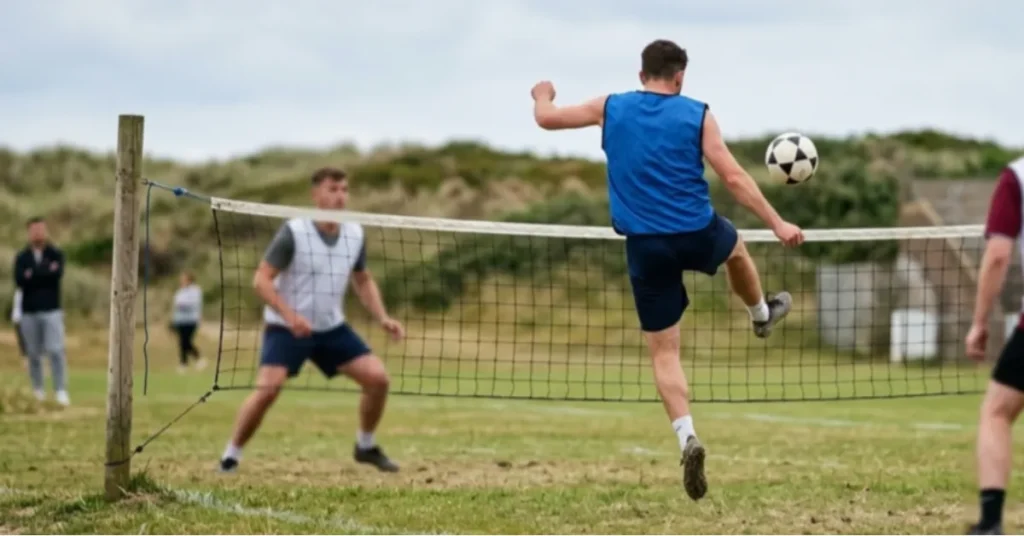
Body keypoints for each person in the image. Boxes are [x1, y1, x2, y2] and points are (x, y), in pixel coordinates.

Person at [530, 39, 804, 501]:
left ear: (641, 75)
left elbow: (547, 118)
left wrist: (542, 93)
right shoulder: (698, 114)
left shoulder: (611, 106)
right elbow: (734, 178)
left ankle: (687, 436)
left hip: (645, 245)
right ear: (680, 77)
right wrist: (777, 222)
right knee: (735, 247)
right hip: (696, 230)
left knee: (664, 353)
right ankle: (761, 315)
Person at [219, 166, 405, 474]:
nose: (340, 196)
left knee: (378, 379)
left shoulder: (355, 233)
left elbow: (363, 279)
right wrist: (291, 317)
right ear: (316, 194)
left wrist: (383, 317)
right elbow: (261, 280)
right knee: (268, 389)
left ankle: (366, 446)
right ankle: (231, 456)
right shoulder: (294, 231)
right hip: (287, 327)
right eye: (333, 189)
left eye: (344, 189)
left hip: (331, 327)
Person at [964, 156, 1024, 535]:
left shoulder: (1017, 176)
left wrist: (980, 323)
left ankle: (990, 522)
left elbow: (998, 254)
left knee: (997, 411)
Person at [13, 216, 70, 406]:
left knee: (56, 350)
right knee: (33, 353)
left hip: (51, 309)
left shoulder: (55, 254)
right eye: (34, 230)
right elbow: (21, 280)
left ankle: (60, 390)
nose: (38, 233)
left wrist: (34, 274)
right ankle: (38, 390)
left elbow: (56, 275)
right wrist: (44, 272)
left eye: (41, 229)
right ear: (29, 233)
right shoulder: (22, 257)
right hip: (29, 311)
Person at [171, 270, 206, 373]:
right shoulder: (180, 291)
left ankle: (198, 358)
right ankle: (184, 364)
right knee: (182, 342)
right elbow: (176, 304)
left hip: (191, 320)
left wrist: (183, 305)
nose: (182, 280)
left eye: (184, 278)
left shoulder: (195, 290)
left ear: (189, 279)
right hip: (180, 320)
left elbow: (193, 303)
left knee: (186, 341)